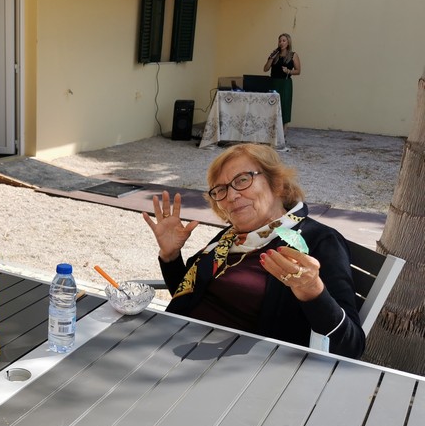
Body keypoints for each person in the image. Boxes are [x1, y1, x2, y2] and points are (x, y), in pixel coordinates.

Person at [142, 143, 365, 359]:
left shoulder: (318, 240)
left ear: (277, 184)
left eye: (242, 180)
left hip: (239, 367)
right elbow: (192, 298)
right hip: (174, 341)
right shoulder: (229, 238)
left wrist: (313, 292)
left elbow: (351, 346)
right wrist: (170, 257)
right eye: (221, 190)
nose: (231, 196)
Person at [263, 33, 301, 131]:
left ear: (288, 42)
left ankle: (283, 131)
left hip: (285, 84)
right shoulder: (275, 55)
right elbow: (265, 69)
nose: (281, 43)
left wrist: (288, 71)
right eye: (280, 41)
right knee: (272, 106)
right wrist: (271, 58)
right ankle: (272, 129)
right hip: (273, 83)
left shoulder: (293, 55)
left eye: (284, 41)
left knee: (285, 106)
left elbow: (298, 71)